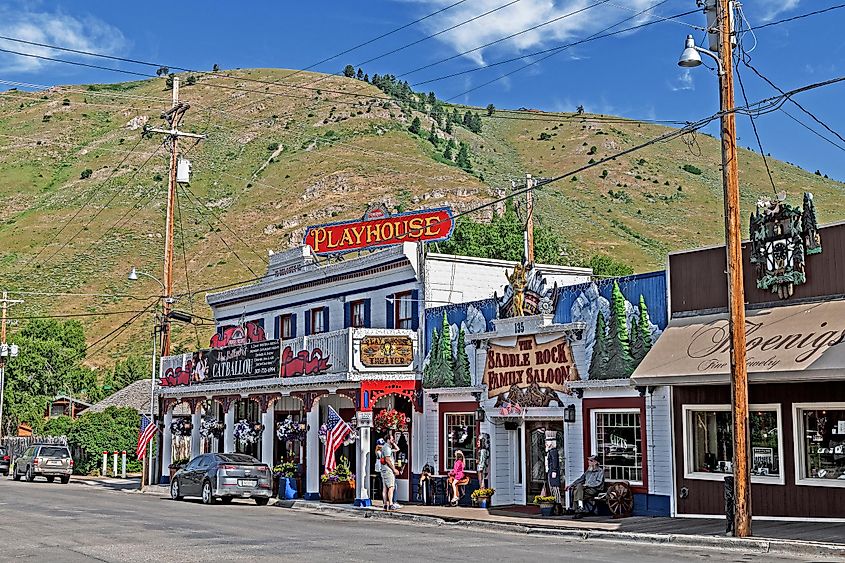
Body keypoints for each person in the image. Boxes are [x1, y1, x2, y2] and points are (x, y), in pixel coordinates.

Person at [566, 455, 605, 519]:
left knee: (577, 491)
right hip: (586, 490)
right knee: (578, 488)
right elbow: (580, 479)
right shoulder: (588, 471)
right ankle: (580, 509)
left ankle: (576, 510)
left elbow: (598, 482)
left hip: (594, 489)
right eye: (588, 460)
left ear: (595, 462)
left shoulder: (600, 471)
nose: (589, 462)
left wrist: (587, 485)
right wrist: (571, 485)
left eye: (591, 461)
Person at [380, 432, 401, 511]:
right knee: (391, 487)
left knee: (385, 488)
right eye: (392, 439)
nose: (393, 440)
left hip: (384, 470)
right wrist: (394, 469)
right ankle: (391, 504)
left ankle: (385, 504)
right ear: (388, 440)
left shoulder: (386, 447)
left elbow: (397, 449)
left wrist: (394, 443)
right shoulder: (387, 448)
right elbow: (388, 460)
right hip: (388, 470)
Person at [545, 432, 563, 516]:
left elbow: (555, 463)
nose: (546, 444)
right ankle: (555, 505)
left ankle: (558, 507)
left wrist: (554, 471)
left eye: (547, 442)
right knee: (552, 488)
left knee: (555, 489)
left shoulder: (553, 452)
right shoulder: (550, 452)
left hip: (553, 472)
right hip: (550, 471)